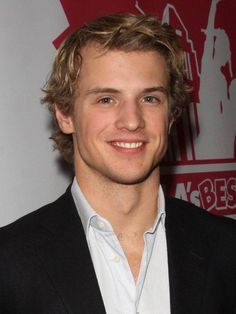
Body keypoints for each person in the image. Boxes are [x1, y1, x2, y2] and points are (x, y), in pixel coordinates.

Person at [0, 13, 236, 314]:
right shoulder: (9, 264)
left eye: (150, 99)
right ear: (65, 114)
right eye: (106, 100)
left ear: (172, 115)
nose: (132, 121)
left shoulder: (227, 249)